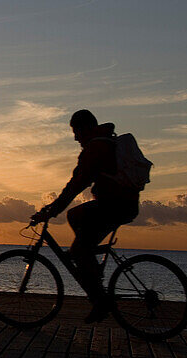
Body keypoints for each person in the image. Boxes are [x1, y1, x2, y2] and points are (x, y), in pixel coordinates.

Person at [31, 109, 140, 323]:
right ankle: (87, 257)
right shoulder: (105, 142)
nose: (75, 137)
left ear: (86, 128)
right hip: (119, 204)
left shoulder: (96, 148)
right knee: (75, 216)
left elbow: (76, 184)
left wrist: (51, 211)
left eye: (76, 131)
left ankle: (101, 302)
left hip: (114, 206)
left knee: (79, 249)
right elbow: (78, 184)